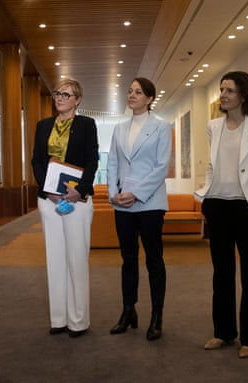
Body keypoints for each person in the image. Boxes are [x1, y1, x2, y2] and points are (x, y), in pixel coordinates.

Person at [194, 71, 248, 358]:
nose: (223, 95)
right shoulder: (214, 126)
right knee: (222, 273)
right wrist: (206, 193)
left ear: (243, 94)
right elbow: (212, 165)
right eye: (222, 90)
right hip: (218, 204)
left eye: (229, 90)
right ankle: (223, 332)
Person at [31, 78, 99, 338]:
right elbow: (37, 161)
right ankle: (59, 319)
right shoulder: (43, 126)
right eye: (57, 93)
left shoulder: (86, 125)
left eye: (66, 94)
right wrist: (46, 189)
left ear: (77, 100)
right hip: (49, 200)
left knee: (76, 259)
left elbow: (93, 160)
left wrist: (79, 190)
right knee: (55, 259)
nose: (59, 98)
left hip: (76, 200)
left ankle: (78, 321)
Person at [107, 77, 171, 341]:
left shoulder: (161, 127)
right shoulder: (119, 128)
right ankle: (128, 310)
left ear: (149, 98)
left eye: (138, 92)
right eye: (130, 91)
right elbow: (112, 163)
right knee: (128, 260)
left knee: (154, 261)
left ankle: (157, 316)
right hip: (123, 205)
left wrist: (137, 193)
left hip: (150, 203)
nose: (132, 95)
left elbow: (161, 167)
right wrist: (114, 194)